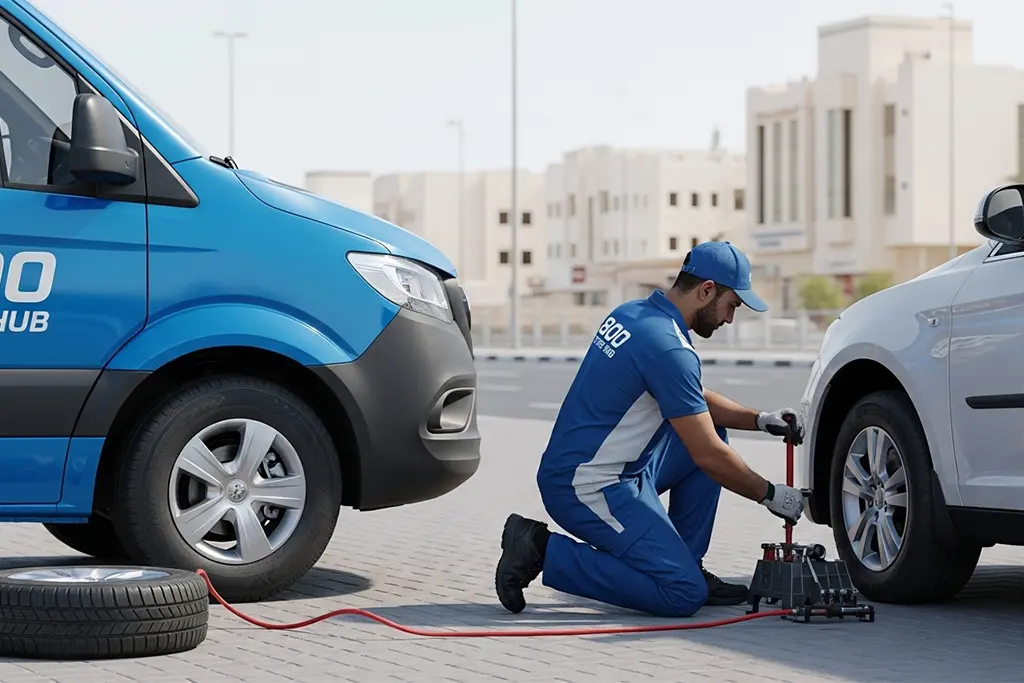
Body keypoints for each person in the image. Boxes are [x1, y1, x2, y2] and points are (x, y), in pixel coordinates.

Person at [494, 240, 806, 619]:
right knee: (682, 594)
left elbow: (691, 399)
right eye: (732, 305)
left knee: (713, 434)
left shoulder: (634, 314)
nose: (729, 319)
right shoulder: (668, 348)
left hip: (614, 469)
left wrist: (760, 420)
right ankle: (541, 549)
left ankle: (684, 561)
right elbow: (709, 456)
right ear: (707, 290)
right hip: (587, 487)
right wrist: (772, 495)